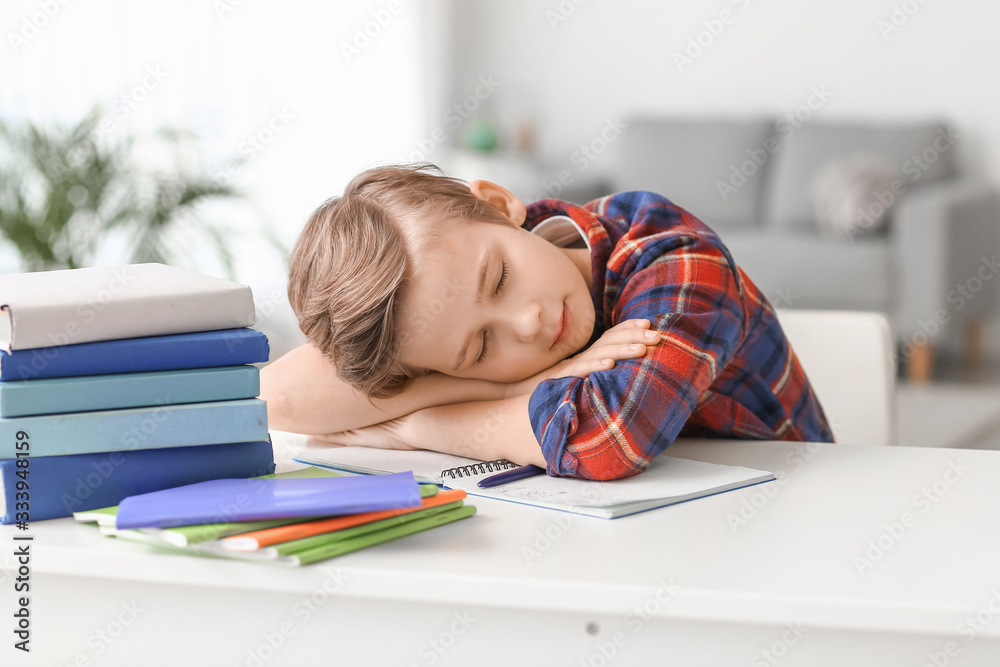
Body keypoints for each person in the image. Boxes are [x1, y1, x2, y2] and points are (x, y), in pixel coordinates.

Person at [260, 163, 833, 481]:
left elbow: (603, 440)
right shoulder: (460, 304)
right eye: (479, 347)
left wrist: (417, 426)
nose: (528, 323)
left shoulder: (669, 252)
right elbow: (275, 397)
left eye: (501, 278)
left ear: (498, 204)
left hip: (790, 513)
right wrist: (514, 386)